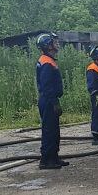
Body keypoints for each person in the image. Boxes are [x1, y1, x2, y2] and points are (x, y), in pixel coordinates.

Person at [35, 33, 69, 170]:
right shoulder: (46, 62)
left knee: (54, 131)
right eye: (54, 42)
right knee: (49, 131)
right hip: (48, 100)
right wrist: (54, 102)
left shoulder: (49, 60)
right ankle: (46, 161)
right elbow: (47, 85)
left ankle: (54, 158)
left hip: (50, 99)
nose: (57, 44)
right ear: (48, 45)